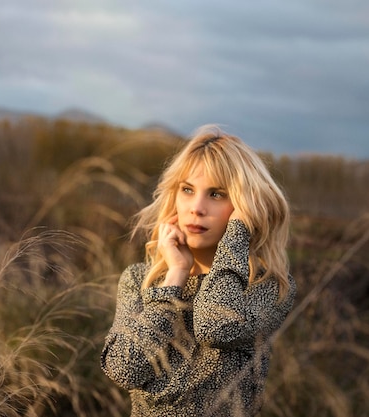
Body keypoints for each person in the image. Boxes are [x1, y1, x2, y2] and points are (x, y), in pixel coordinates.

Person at [100, 125, 296, 417]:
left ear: (245, 207)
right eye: (188, 190)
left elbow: (214, 325)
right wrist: (175, 276)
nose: (197, 208)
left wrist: (238, 234)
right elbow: (124, 368)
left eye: (217, 194)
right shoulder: (140, 279)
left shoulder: (269, 287)